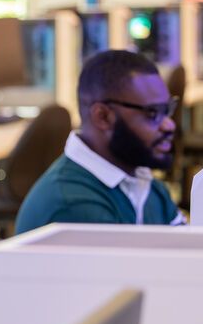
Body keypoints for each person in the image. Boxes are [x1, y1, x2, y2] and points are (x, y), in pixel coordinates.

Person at [15, 50, 186, 232]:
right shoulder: (74, 206)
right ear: (103, 117)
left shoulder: (149, 188)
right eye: (152, 113)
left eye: (167, 110)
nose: (169, 125)